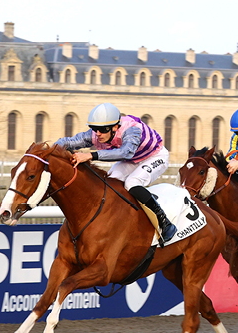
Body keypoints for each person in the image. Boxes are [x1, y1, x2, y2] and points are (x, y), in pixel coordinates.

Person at [54, 102, 177, 241]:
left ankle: (165, 222)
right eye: (95, 129)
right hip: (133, 159)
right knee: (110, 182)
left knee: (132, 183)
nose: (98, 134)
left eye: (103, 130)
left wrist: (90, 155)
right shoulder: (96, 134)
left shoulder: (132, 130)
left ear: (115, 127)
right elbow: (67, 142)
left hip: (154, 156)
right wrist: (46, 151)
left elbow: (126, 153)